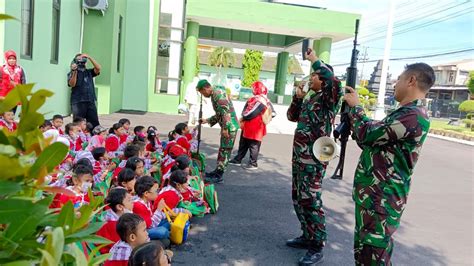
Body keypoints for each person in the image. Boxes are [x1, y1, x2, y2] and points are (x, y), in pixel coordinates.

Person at [343, 63, 435, 265]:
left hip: (382, 199)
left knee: (374, 257)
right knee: (365, 253)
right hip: (374, 196)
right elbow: (370, 139)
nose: (395, 84)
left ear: (411, 81)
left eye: (399, 79)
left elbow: (367, 134)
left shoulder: (414, 116)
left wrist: (356, 107)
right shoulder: (404, 112)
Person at [286, 49, 343, 266]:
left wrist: (314, 59)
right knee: (298, 198)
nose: (311, 77)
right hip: (299, 156)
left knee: (311, 200)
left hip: (314, 158)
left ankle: (317, 245)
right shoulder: (310, 96)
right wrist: (297, 98)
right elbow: (291, 116)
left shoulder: (331, 98)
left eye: (315, 75)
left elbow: (331, 79)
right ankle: (307, 235)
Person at [197, 79, 240, 184]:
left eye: (202, 92)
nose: (203, 95)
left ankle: (219, 175)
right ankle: (217, 171)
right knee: (222, 150)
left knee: (225, 151)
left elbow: (225, 112)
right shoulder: (215, 93)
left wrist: (225, 128)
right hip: (228, 125)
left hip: (229, 126)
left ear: (206, 88)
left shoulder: (218, 94)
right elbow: (219, 113)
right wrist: (207, 120)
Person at [229, 81, 274, 170]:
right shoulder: (262, 99)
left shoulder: (260, 100)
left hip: (255, 127)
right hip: (250, 125)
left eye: (254, 88)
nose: (252, 90)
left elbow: (250, 112)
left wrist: (244, 116)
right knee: (244, 143)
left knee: (253, 145)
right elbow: (273, 113)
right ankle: (238, 159)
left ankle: (253, 163)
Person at [67, 53, 101, 128]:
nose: (81, 62)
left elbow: (98, 68)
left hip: (90, 100)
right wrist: (74, 71)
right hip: (78, 102)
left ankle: (93, 137)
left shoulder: (89, 72)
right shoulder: (71, 73)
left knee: (94, 122)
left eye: (83, 60)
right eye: (79, 60)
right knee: (78, 123)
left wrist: (89, 57)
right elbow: (72, 84)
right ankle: (78, 137)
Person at [96, 187, 134, 254]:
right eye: (129, 200)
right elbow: (123, 246)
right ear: (119, 207)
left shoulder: (111, 214)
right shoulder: (114, 225)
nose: (132, 202)